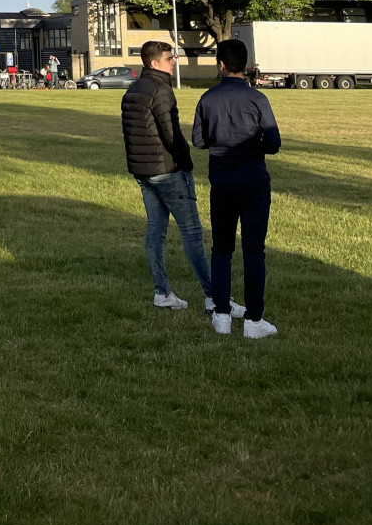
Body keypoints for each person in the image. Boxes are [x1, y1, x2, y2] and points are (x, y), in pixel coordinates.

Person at [121, 39, 228, 317]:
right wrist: (185, 162)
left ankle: (162, 292)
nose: (174, 62)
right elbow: (171, 135)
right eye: (170, 58)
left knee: (155, 231)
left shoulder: (133, 89)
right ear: (154, 63)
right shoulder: (161, 90)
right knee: (192, 234)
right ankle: (214, 297)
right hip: (168, 171)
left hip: (143, 172)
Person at [194, 38, 282, 339]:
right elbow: (273, 142)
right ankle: (254, 320)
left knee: (221, 248)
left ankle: (221, 314)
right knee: (254, 250)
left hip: (222, 181)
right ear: (245, 65)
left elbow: (199, 140)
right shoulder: (257, 99)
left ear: (221, 65)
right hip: (253, 180)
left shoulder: (207, 98)